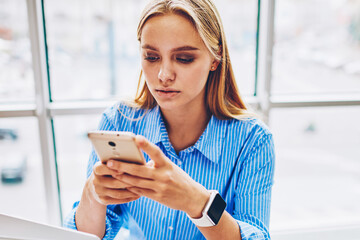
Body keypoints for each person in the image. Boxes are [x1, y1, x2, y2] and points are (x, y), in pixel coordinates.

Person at [64, 0, 275, 239]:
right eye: (152, 57)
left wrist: (198, 203)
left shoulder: (253, 140)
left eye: (184, 58)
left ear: (215, 58)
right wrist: (93, 193)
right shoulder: (119, 121)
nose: (164, 75)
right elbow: (90, 235)